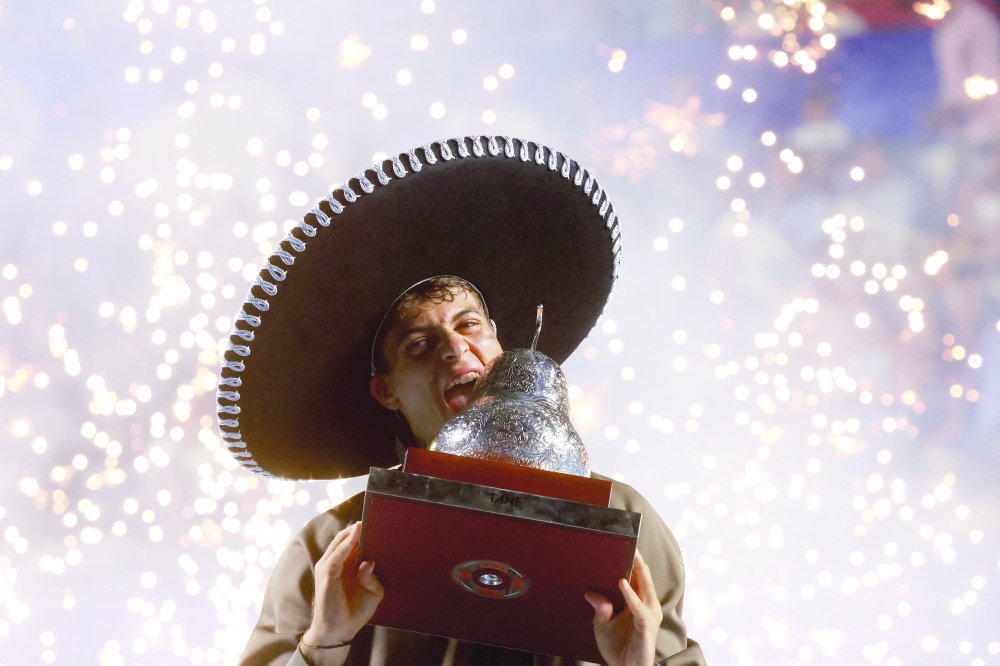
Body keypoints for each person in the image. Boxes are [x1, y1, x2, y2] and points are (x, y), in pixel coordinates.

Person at [218, 137, 705, 666]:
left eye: (470, 325)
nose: (457, 349)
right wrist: (323, 644)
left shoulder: (620, 521)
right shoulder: (329, 549)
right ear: (387, 391)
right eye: (420, 346)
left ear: (500, 342)